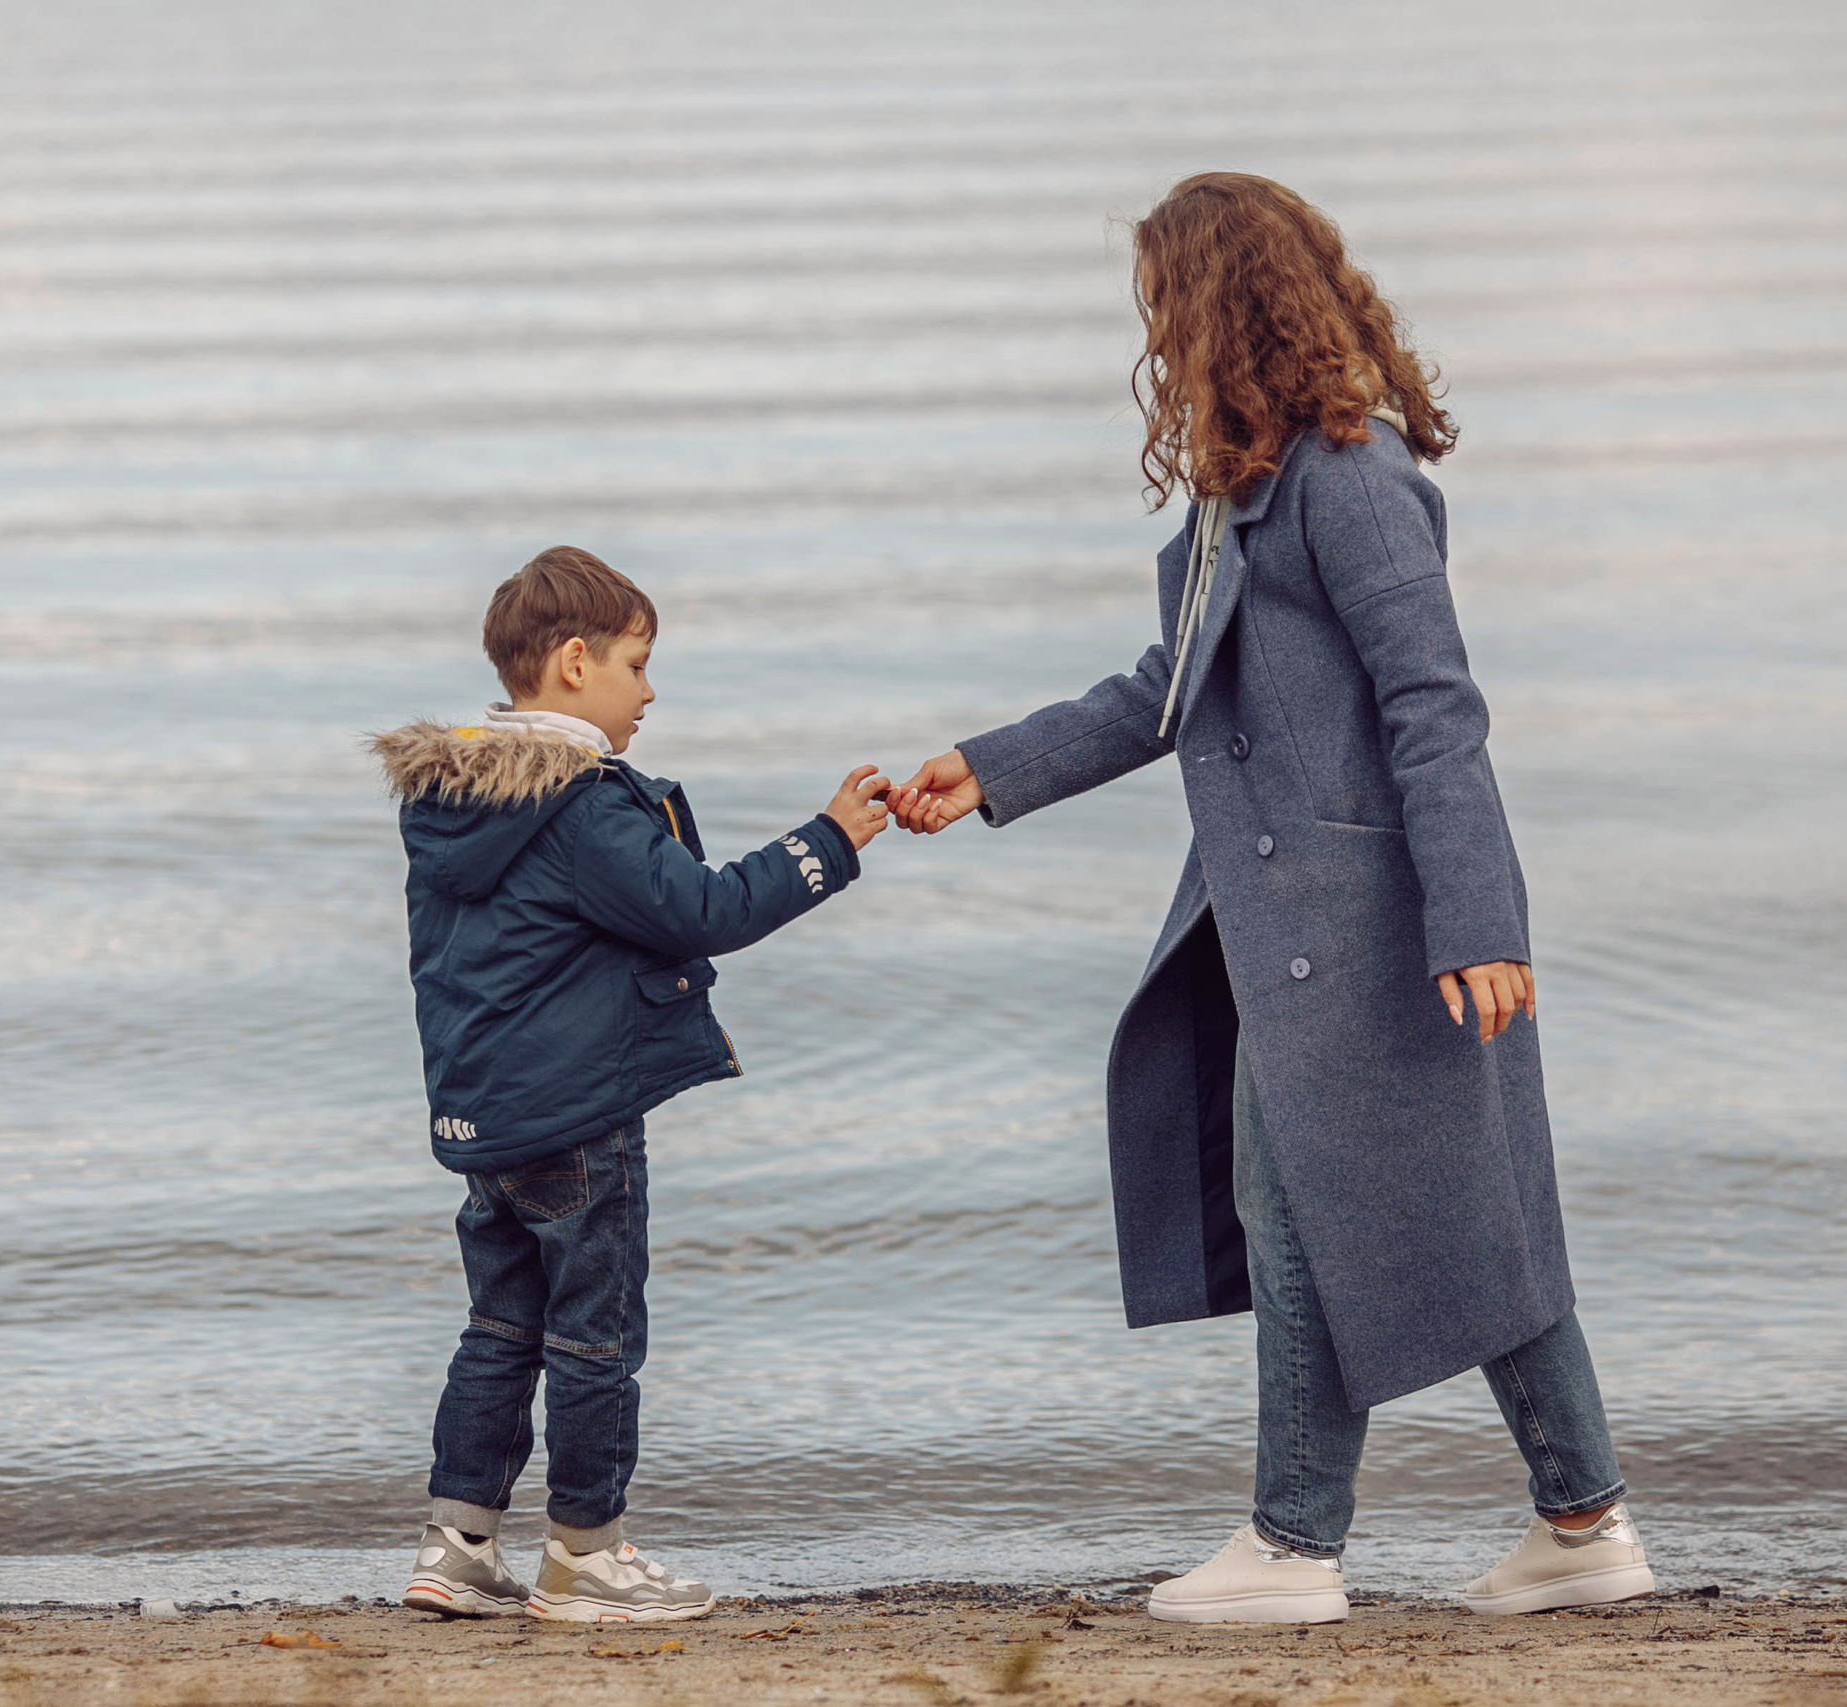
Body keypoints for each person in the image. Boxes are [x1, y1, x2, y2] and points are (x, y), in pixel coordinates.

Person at [888, 173, 1655, 1624]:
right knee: (1457, 1211)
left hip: (1376, 932)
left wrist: (1480, 921)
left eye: (1166, 311)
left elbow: (1440, 708)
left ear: (1218, 310)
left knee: (1327, 1208)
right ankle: (1583, 1522)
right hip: (1281, 932)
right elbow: (1159, 694)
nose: (1157, 346)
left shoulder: (1355, 486)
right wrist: (986, 771)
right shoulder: (1239, 499)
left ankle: (1295, 1546)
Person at [372, 546, 891, 1622]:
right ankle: (587, 1557)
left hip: (486, 1120)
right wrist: (827, 840)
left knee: (500, 1329)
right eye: (637, 663)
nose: (649, 692)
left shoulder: (455, 805)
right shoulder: (580, 807)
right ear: (572, 663)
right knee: (596, 1336)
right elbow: (702, 913)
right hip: (577, 1118)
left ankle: (456, 1547)